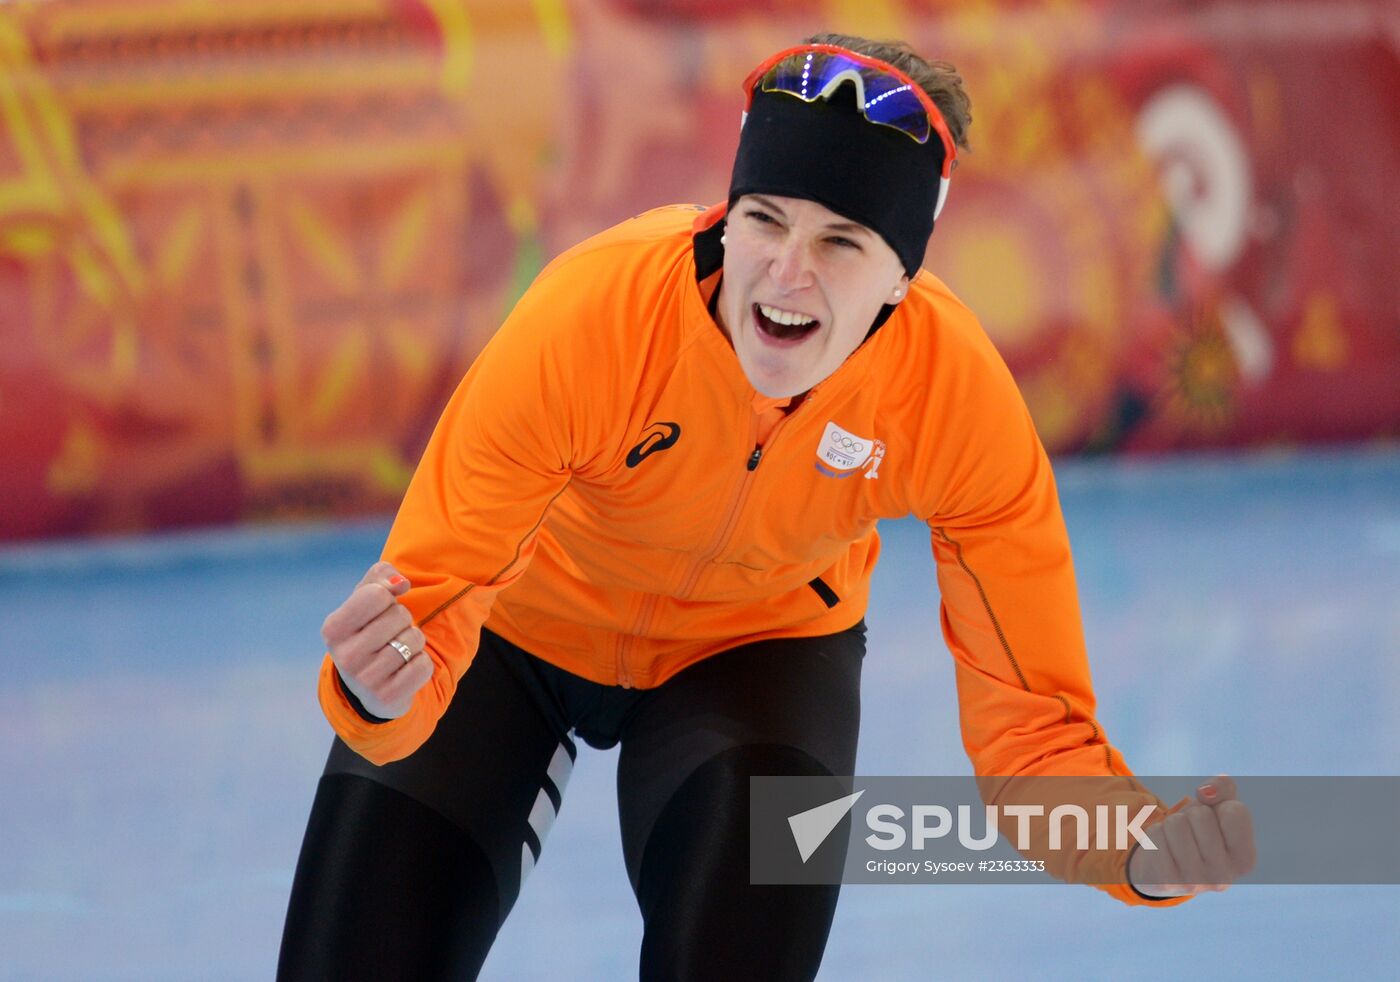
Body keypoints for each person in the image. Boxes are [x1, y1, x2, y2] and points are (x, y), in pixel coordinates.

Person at [278, 34, 1255, 981]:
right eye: (765, 219)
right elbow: (432, 605)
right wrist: (381, 695)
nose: (789, 271)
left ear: (899, 281)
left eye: (842, 240)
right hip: (515, 635)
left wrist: (1135, 847)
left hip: (754, 657)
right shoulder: (591, 317)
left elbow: (1033, 731)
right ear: (726, 214)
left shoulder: (950, 399)